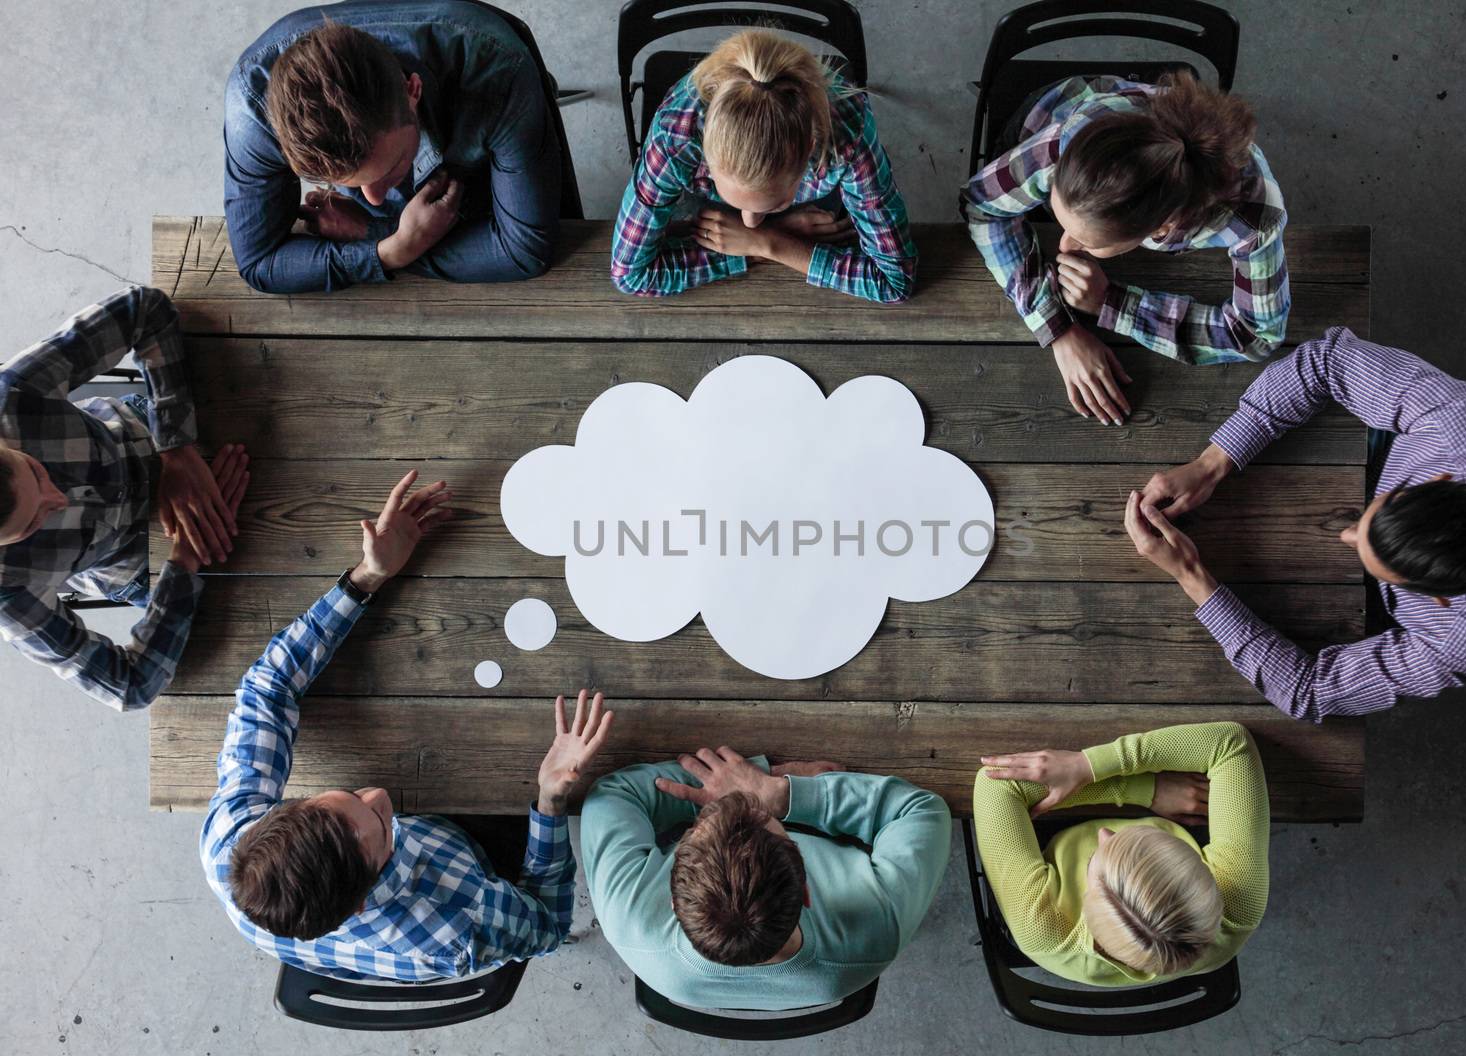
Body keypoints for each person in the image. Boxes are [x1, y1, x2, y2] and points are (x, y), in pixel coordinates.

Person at [201, 472, 613, 980]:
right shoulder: (456, 927)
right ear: (360, 900)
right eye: (379, 829)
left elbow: (267, 687)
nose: (380, 796)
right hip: (472, 872)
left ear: (276, 817)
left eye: (344, 797)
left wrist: (365, 578)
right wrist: (551, 801)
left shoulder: (232, 844)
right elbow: (549, 925)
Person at [1124, 327, 1466, 721]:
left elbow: (1310, 692)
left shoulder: (1465, 638)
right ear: (1438, 478)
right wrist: (1212, 462)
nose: (1345, 534)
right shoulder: (1458, 429)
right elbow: (1327, 360)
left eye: (1366, 554)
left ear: (1438, 600)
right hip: (1459, 439)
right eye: (1366, 524)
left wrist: (1190, 575)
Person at [962, 73, 1289, 426]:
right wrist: (1058, 329)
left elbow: (1257, 336)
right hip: (1055, 110)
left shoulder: (1254, 219)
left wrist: (1112, 303)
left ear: (1161, 230)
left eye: (1088, 242)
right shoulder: (1075, 139)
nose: (1064, 246)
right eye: (1063, 224)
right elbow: (981, 205)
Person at [0, 285, 249, 711]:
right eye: (33, 523)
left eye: (37, 471)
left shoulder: (10, 397)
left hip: (151, 436)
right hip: (149, 563)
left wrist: (176, 447)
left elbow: (143, 309)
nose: (58, 499)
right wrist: (185, 560)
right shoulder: (6, 594)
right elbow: (128, 687)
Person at [224, 1, 565, 293]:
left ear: (412, 91)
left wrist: (368, 232)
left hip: (479, 173)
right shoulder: (253, 106)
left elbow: (524, 251)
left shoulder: (498, 72)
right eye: (342, 183)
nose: (373, 201)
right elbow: (260, 264)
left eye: (389, 168)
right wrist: (390, 251)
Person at [580, 745, 950, 1008]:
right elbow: (920, 811)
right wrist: (780, 791)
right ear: (806, 890)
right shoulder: (878, 927)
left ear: (673, 902)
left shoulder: (627, 918)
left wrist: (743, 784)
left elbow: (612, 795)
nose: (733, 802)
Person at [611, 29, 916, 304]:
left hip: (809, 209)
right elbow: (629, 274)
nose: (751, 221)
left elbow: (895, 280)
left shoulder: (848, 133)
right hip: (716, 215)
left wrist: (767, 242)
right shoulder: (676, 135)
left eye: (774, 206)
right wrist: (773, 237)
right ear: (704, 150)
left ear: (808, 152)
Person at [973, 720, 1267, 986]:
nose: (1104, 834)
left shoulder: (1043, 926)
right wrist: (1148, 788)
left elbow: (997, 784)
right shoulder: (1240, 905)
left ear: (1086, 904)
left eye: (1093, 861)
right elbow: (1230, 743)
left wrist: (1135, 786)